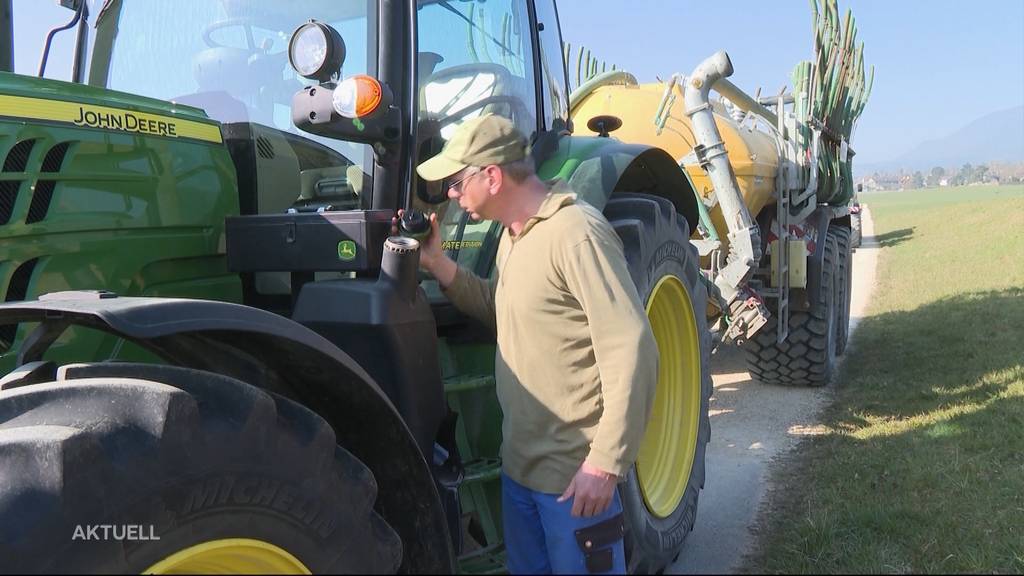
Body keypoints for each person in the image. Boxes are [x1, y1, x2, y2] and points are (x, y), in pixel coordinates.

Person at [411, 114, 658, 574]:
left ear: (492, 175)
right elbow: (504, 308)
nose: (450, 193)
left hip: (573, 481)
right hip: (520, 473)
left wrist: (604, 464)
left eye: (457, 181)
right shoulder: (514, 236)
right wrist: (439, 264)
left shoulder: (576, 233)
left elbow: (633, 348)